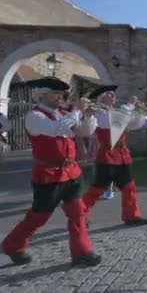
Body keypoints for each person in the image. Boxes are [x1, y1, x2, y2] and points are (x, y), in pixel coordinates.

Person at [1, 77, 102, 266]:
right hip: (48, 174)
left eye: (60, 94)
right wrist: (77, 111)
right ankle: (12, 244)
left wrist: (88, 115)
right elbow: (57, 130)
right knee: (39, 217)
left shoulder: (63, 113)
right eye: (55, 93)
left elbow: (84, 132)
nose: (60, 97)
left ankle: (82, 251)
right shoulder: (35, 117)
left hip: (71, 171)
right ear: (42, 95)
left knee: (78, 213)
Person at [81, 85, 147, 226]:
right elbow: (115, 120)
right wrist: (131, 105)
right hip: (107, 155)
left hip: (122, 154)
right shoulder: (99, 112)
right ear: (101, 97)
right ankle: (79, 215)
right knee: (98, 188)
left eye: (113, 94)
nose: (113, 96)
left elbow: (135, 125)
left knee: (129, 186)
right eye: (109, 94)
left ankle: (131, 215)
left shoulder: (115, 112)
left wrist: (139, 111)